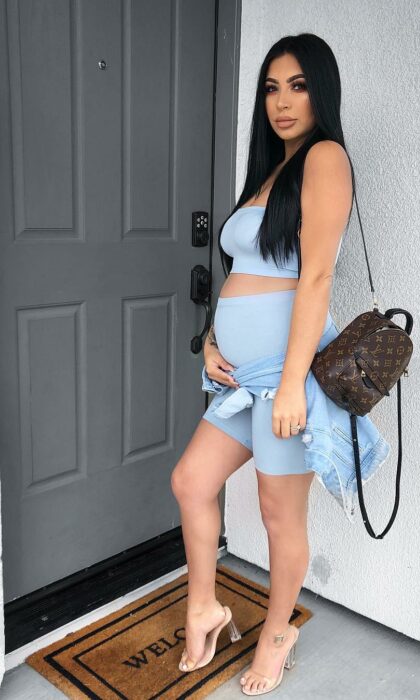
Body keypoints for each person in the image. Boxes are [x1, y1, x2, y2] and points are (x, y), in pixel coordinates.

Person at [171, 32, 359, 695]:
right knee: (193, 481)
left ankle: (279, 630)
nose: (283, 101)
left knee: (281, 517)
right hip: (240, 375)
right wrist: (215, 339)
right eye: (272, 87)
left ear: (322, 92)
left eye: (299, 85)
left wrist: (289, 386)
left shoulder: (325, 157)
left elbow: (315, 279)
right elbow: (245, 272)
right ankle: (206, 609)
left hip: (287, 377)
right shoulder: (268, 171)